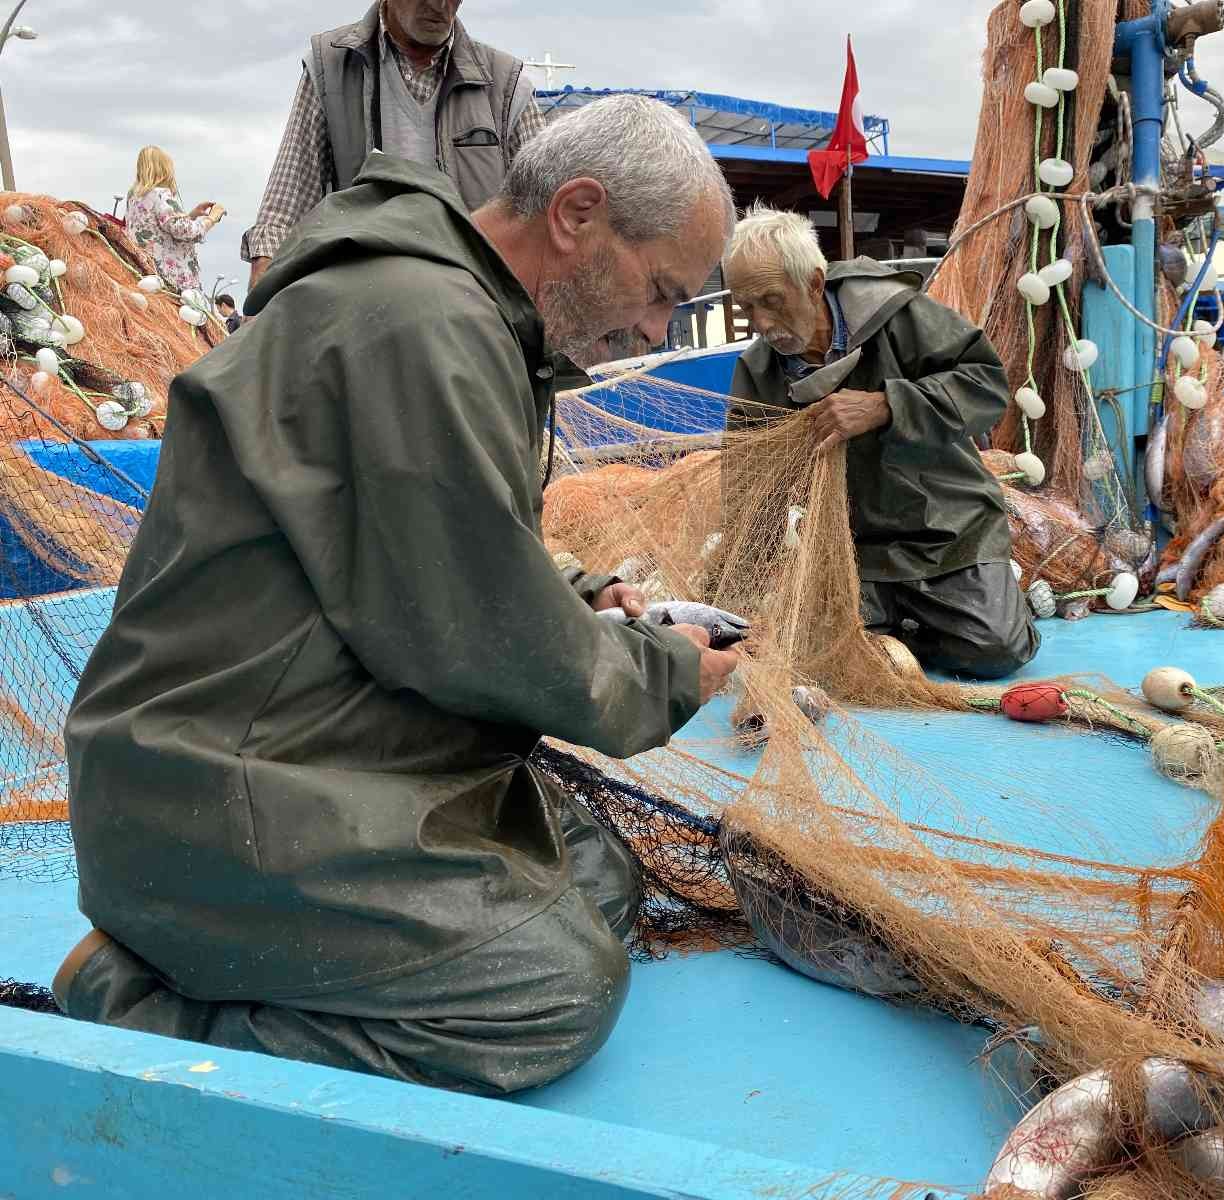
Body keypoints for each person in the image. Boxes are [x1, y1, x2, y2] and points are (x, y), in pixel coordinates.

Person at [55, 95, 741, 1094]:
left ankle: (216, 951)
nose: (653, 324)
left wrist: (587, 597)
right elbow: (480, 638)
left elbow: (431, 547)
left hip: (300, 744)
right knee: (553, 993)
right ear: (577, 212)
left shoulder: (452, 315)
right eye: (659, 288)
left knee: (597, 871)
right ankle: (136, 1000)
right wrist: (670, 669)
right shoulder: (420, 326)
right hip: (220, 786)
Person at [723, 205, 1039, 681]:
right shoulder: (759, 371)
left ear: (812, 283)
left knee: (995, 650)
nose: (763, 323)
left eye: (772, 300)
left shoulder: (899, 318)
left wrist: (887, 405)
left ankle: (910, 623)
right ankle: (895, 623)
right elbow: (749, 486)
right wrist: (739, 588)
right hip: (854, 548)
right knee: (819, 655)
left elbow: (987, 385)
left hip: (949, 528)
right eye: (747, 307)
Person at [242, 1, 542, 289]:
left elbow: (550, 217)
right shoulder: (331, 69)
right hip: (363, 309)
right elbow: (283, 216)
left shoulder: (505, 87)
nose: (439, 5)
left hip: (474, 311)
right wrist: (262, 306)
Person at [123, 146, 222, 295]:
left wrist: (191, 216)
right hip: (170, 278)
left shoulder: (134, 198)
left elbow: (157, 228)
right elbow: (186, 232)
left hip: (145, 269)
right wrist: (212, 218)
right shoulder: (161, 194)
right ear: (164, 168)